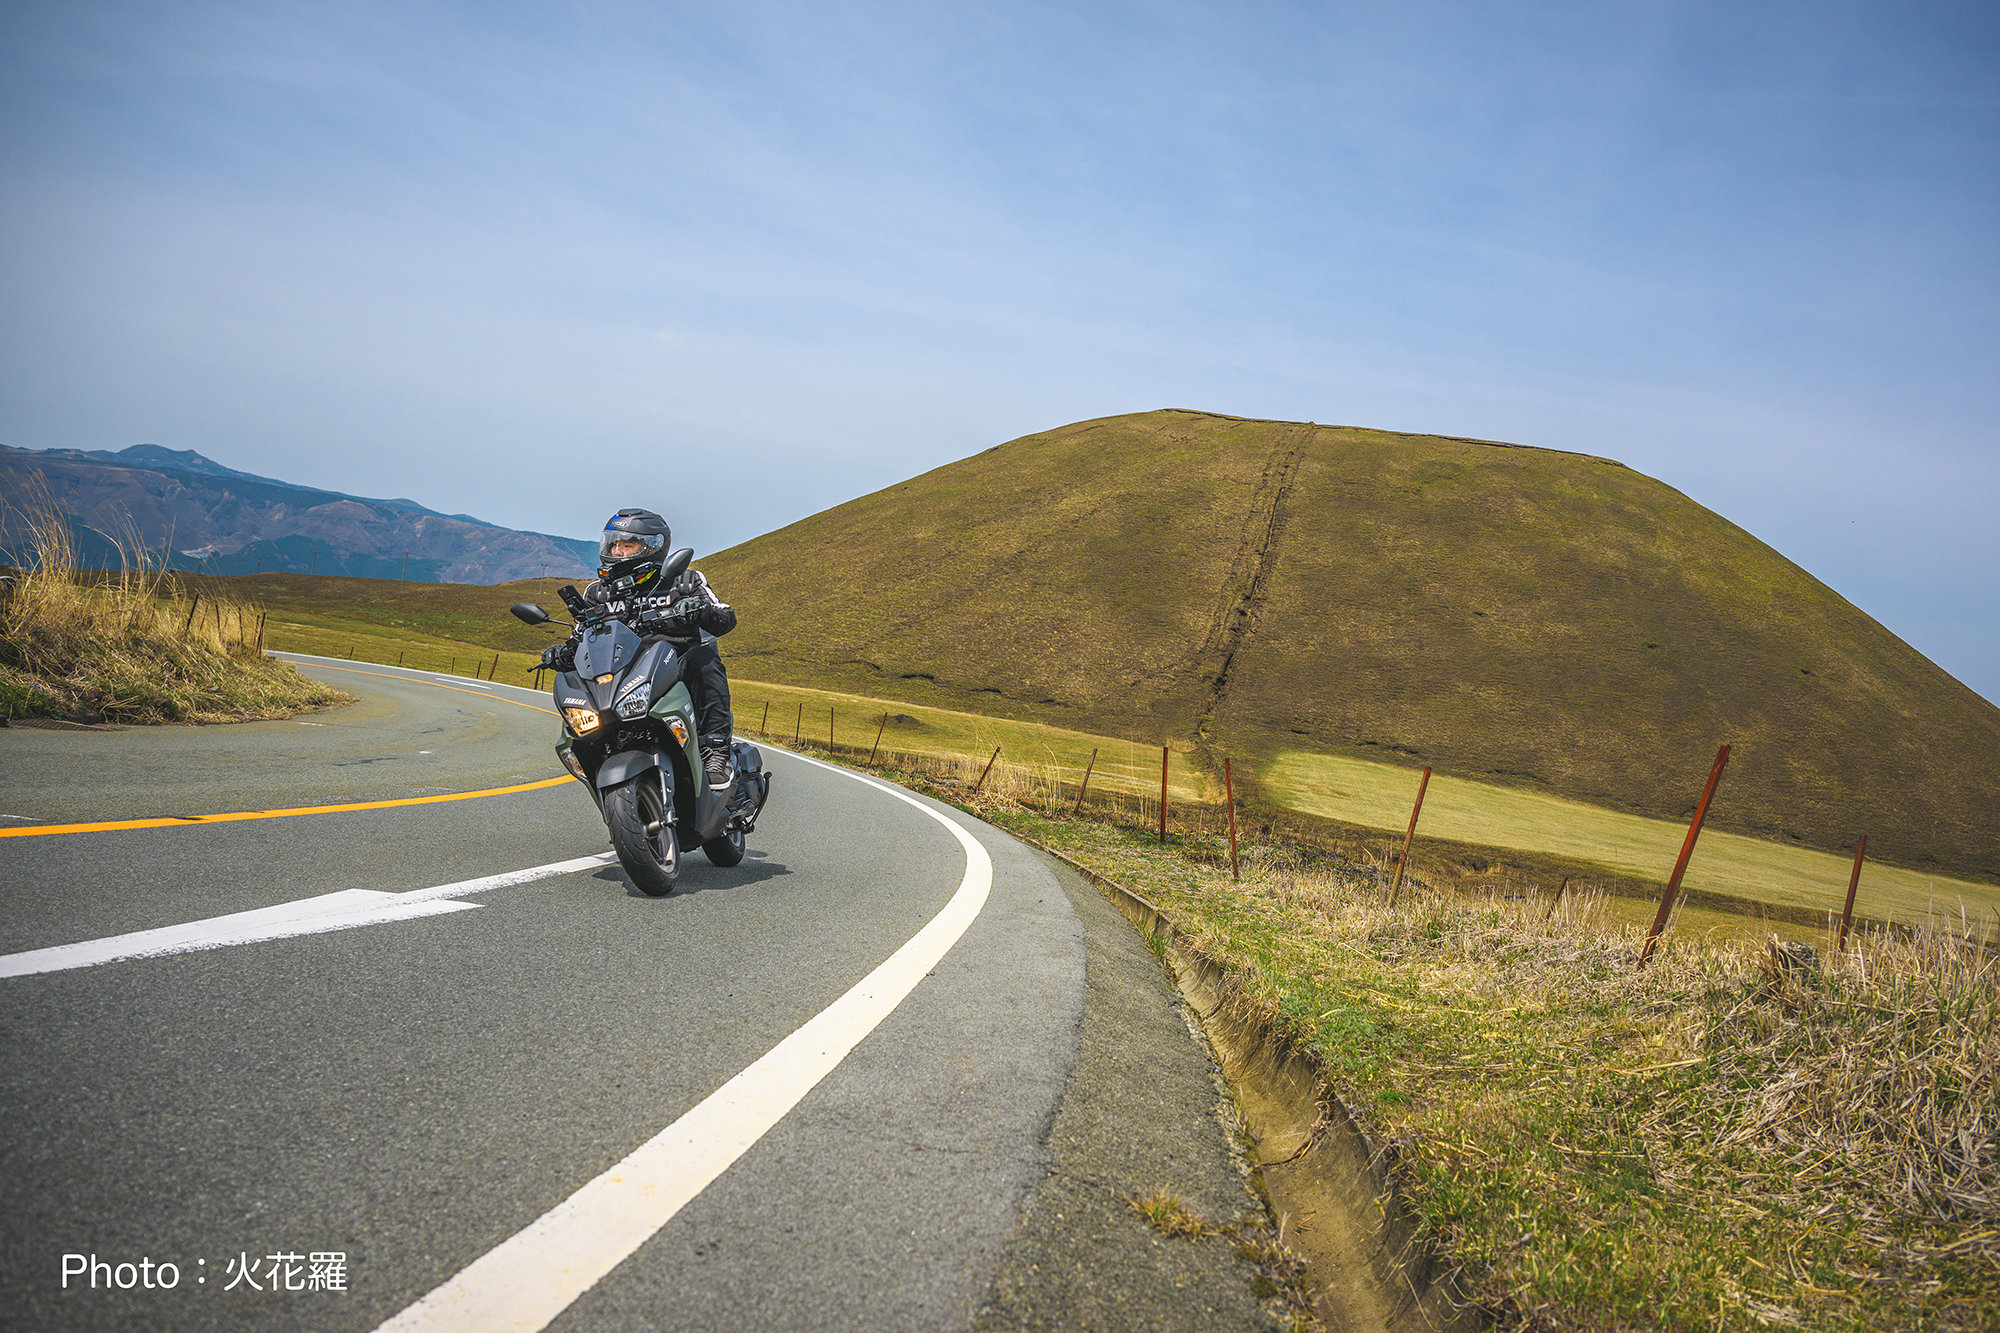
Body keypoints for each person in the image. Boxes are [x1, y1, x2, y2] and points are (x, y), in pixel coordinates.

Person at [542, 507, 739, 788]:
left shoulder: (684, 580)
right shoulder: (597, 593)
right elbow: (582, 636)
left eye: (627, 544)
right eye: (614, 544)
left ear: (651, 547)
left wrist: (699, 610)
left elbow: (725, 617)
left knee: (704, 658)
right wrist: (561, 653)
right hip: (623, 677)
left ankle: (716, 750)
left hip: (673, 671)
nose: (618, 551)